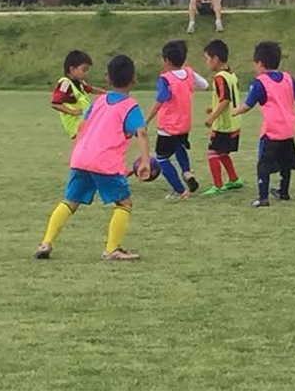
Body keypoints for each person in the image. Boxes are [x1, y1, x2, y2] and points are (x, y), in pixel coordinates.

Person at [33, 55, 150, 261]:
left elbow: (82, 127)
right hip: (103, 162)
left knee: (70, 202)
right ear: (134, 79)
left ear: (108, 79)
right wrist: (145, 161)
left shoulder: (99, 101)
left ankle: (46, 243)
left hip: (81, 157)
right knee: (125, 203)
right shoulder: (130, 106)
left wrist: (79, 151)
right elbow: (142, 132)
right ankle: (112, 249)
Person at [233, 41, 295, 208]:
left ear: (260, 63)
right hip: (288, 130)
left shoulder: (261, 82)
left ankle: (263, 198)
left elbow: (247, 105)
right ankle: (284, 192)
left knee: (263, 165)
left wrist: (234, 111)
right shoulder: (288, 78)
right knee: (285, 164)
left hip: (272, 132)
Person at [145, 40, 208, 200]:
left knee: (162, 158)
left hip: (168, 126)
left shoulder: (165, 79)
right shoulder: (189, 73)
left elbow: (160, 101)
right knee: (179, 147)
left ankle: (180, 191)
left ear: (166, 60)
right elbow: (205, 85)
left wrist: (146, 120)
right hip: (185, 125)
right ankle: (187, 173)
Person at [201, 39, 243, 195]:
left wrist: (212, 117)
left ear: (215, 59)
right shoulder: (232, 74)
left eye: (207, 59)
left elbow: (226, 100)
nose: (207, 63)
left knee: (212, 152)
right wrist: (213, 107)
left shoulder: (219, 77)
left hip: (223, 124)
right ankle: (233, 179)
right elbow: (230, 98)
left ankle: (217, 186)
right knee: (223, 152)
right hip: (234, 122)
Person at [51, 50, 106, 139]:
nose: (86, 73)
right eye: (84, 70)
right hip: (77, 126)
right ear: (72, 69)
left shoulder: (79, 83)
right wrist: (72, 112)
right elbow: (55, 104)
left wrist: (108, 93)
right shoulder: (65, 83)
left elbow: (91, 89)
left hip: (85, 123)